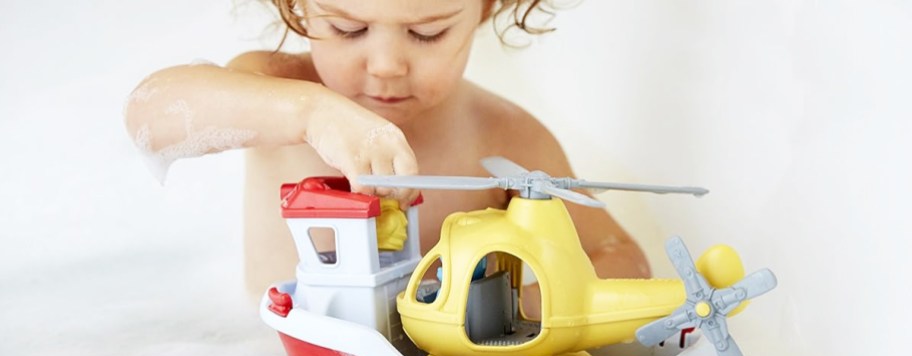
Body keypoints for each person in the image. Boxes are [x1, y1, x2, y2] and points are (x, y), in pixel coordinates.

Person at [123, 0, 650, 311]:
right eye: (348, 28)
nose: (386, 64)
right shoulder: (274, 88)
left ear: (486, 9)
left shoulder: (506, 139)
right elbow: (151, 116)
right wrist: (309, 114)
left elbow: (620, 258)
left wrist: (510, 315)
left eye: (428, 33)